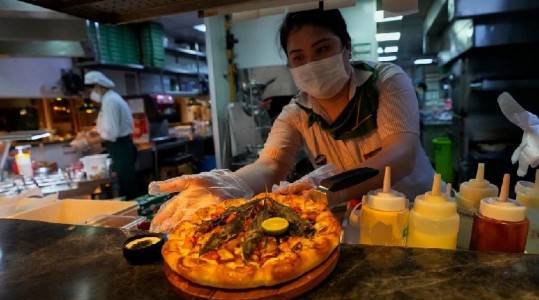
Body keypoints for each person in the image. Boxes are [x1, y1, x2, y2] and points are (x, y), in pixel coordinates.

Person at [149, 8, 436, 233]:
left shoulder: (386, 82)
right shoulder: (297, 112)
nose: (311, 63)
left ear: (346, 48)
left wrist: (326, 192)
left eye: (322, 49)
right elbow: (270, 164)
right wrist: (231, 184)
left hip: (420, 214)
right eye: (298, 57)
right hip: (362, 220)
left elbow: (401, 153)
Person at [83, 71, 140, 200]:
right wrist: (94, 132)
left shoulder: (111, 101)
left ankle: (134, 215)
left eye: (90, 89)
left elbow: (112, 133)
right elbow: (107, 127)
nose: (90, 93)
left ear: (97, 86)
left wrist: (87, 142)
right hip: (119, 146)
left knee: (126, 184)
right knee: (124, 182)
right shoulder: (110, 99)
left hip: (120, 147)